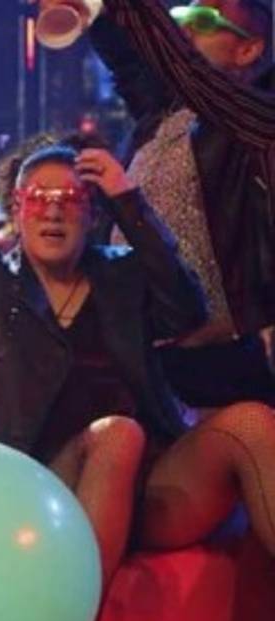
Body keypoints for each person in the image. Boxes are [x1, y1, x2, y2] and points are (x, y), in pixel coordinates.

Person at [0, 94, 275, 584]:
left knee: (251, 420)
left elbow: (189, 312)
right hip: (45, 491)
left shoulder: (122, 275)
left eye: (70, 199)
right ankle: (76, 604)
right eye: (39, 198)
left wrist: (129, 200)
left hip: (148, 486)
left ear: (93, 214)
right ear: (16, 210)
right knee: (117, 434)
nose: (53, 212)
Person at [71, 0, 275, 407]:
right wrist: (93, 11)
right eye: (181, 19)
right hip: (141, 351)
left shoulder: (257, 119)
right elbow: (131, 67)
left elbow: (190, 73)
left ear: (248, 49)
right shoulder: (165, 112)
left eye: (204, 22)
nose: (185, 31)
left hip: (215, 359)